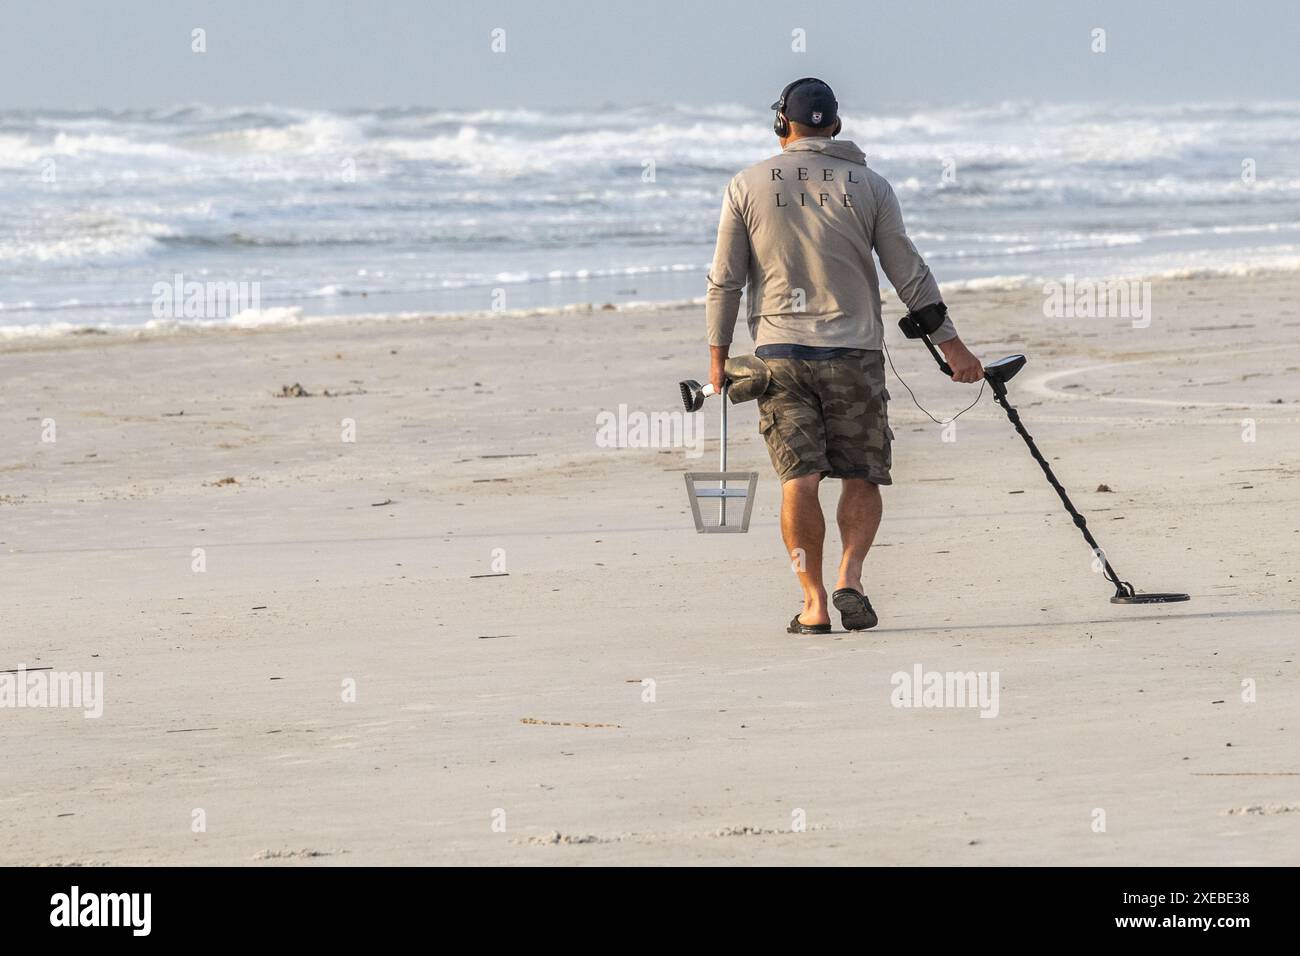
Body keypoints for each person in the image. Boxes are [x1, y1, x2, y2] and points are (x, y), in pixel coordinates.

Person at [704, 77, 983, 635]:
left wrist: (717, 358)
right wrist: (953, 348)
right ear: (835, 123)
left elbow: (725, 282)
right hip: (853, 353)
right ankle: (849, 578)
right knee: (861, 473)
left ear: (782, 124)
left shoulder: (748, 183)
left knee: (798, 479)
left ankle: (812, 604)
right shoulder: (870, 184)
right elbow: (907, 270)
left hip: (778, 355)